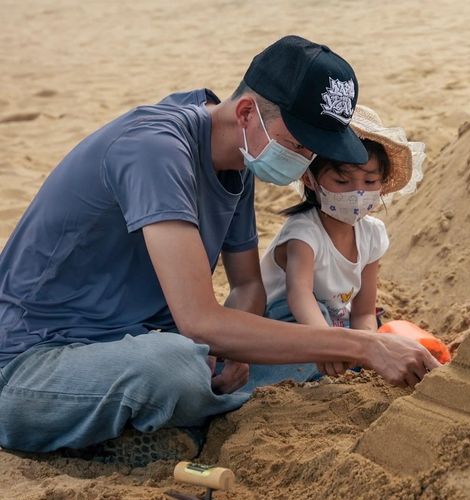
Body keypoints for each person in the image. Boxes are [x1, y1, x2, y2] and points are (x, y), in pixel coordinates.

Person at [0, 35, 439, 462]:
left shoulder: (236, 157)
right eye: (301, 144)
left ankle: (178, 413)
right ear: (247, 112)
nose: (305, 160)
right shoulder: (155, 150)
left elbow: (248, 286)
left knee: (302, 315)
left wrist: (226, 353)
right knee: (174, 366)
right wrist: (364, 347)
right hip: (33, 363)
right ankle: (163, 421)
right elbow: (199, 319)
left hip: (136, 340)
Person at [254, 105, 425, 381]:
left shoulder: (372, 234)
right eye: (342, 180)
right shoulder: (304, 233)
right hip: (287, 322)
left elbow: (364, 310)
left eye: (370, 181)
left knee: (376, 331)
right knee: (322, 323)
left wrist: (367, 346)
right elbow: (299, 296)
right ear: (310, 179)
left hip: (334, 322)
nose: (357, 192)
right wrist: (330, 344)